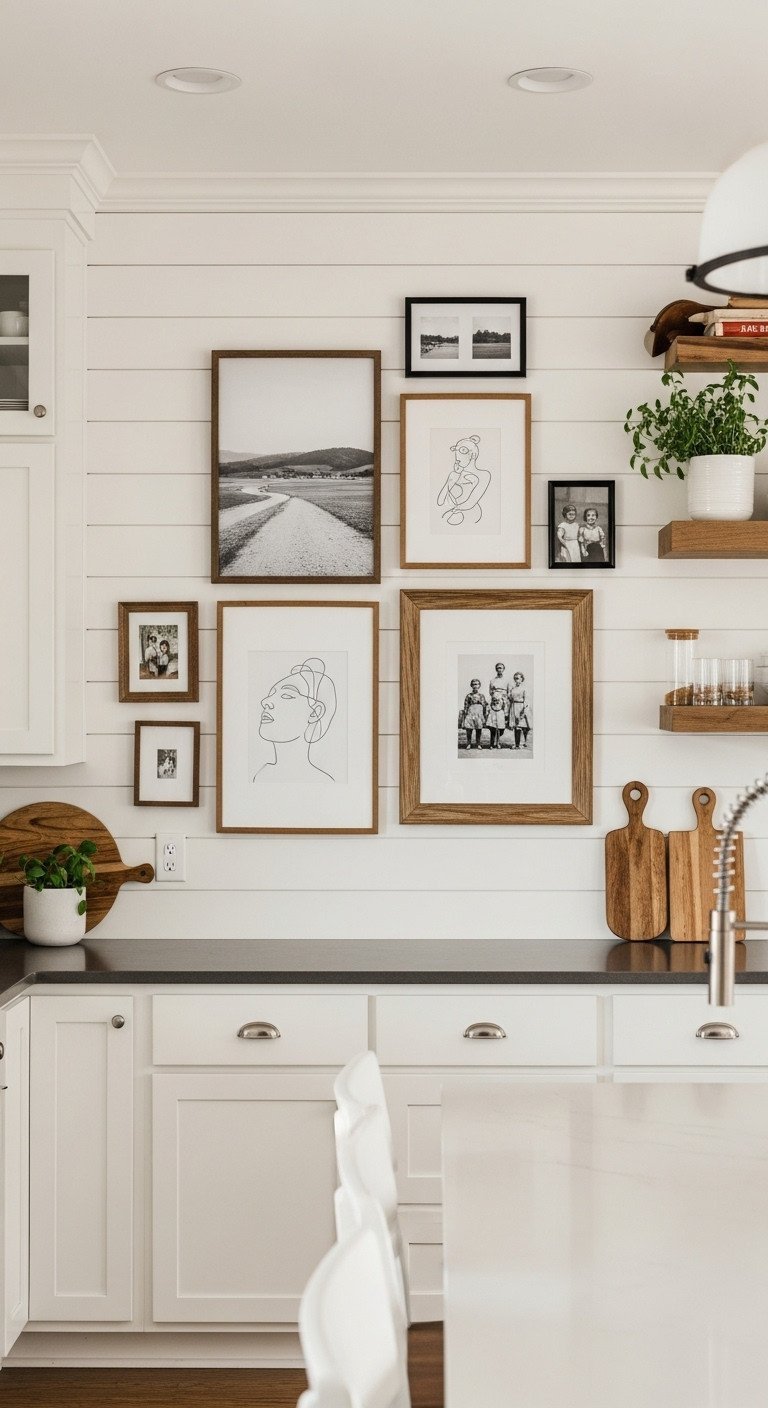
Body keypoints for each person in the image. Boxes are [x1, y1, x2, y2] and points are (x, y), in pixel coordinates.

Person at [255, 657, 337, 781]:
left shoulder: (323, 782)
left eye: (286, 695)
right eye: (271, 694)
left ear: (315, 713)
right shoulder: (261, 776)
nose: (266, 701)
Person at [437, 436, 491, 526]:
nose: (457, 456)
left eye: (462, 451)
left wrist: (454, 509)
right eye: (456, 451)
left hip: (470, 515)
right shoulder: (454, 474)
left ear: (473, 455)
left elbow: (470, 502)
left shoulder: (484, 475)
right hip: (453, 514)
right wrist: (455, 476)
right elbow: (440, 501)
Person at [460, 679, 488, 750]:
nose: (475, 686)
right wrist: (466, 713)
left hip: (479, 712)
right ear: (471, 686)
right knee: (469, 729)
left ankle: (478, 744)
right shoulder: (469, 695)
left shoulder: (481, 696)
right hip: (471, 712)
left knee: (478, 729)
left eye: (477, 684)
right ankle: (469, 743)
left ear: (479, 686)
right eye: (474, 684)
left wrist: (484, 714)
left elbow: (484, 705)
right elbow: (466, 705)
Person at [509, 671, 531, 750]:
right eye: (515, 678)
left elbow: (526, 700)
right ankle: (516, 744)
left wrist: (524, 710)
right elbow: (510, 698)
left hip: (521, 707)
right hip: (514, 707)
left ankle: (523, 743)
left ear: (522, 679)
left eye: (518, 678)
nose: (516, 680)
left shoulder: (524, 688)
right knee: (516, 726)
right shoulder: (513, 688)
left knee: (522, 725)